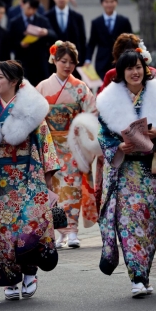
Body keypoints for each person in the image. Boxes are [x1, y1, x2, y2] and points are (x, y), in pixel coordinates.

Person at [96, 50, 156, 297]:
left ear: (144, 70)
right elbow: (104, 136)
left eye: (138, 67)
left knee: (149, 225)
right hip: (126, 174)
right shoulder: (110, 100)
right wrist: (118, 148)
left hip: (153, 173)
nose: (135, 72)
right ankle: (136, 276)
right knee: (128, 224)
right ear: (122, 74)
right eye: (129, 68)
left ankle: (144, 273)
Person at [0, 60, 59, 301]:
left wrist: (48, 180)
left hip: (27, 174)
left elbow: (45, 143)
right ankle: (9, 278)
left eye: (0, 77)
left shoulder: (31, 109)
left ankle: (30, 273)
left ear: (14, 81)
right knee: (2, 230)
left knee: (28, 225)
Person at [35, 41, 99, 248]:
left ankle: (72, 231)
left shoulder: (80, 87)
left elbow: (92, 112)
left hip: (73, 143)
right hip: (50, 143)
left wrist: (83, 128)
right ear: (54, 60)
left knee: (72, 187)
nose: (68, 66)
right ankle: (60, 232)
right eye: (63, 61)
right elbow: (35, 115)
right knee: (55, 187)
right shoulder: (43, 87)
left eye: (71, 62)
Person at [9, 0, 57, 86]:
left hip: (40, 63)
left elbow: (54, 36)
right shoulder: (15, 22)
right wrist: (20, 44)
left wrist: (46, 32)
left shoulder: (42, 21)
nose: (31, 11)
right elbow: (9, 42)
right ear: (22, 5)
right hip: (22, 62)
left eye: (34, 9)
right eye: (29, 8)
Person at [85, 0, 133, 79]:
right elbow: (92, 43)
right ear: (102, 3)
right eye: (106, 2)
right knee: (103, 87)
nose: (109, 4)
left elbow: (131, 41)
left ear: (116, 3)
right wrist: (88, 59)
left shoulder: (124, 21)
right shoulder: (96, 22)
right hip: (101, 61)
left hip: (120, 60)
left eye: (112, 1)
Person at [45, 0, 86, 78]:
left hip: (73, 63)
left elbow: (82, 41)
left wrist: (82, 60)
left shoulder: (77, 17)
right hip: (52, 64)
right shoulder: (46, 17)